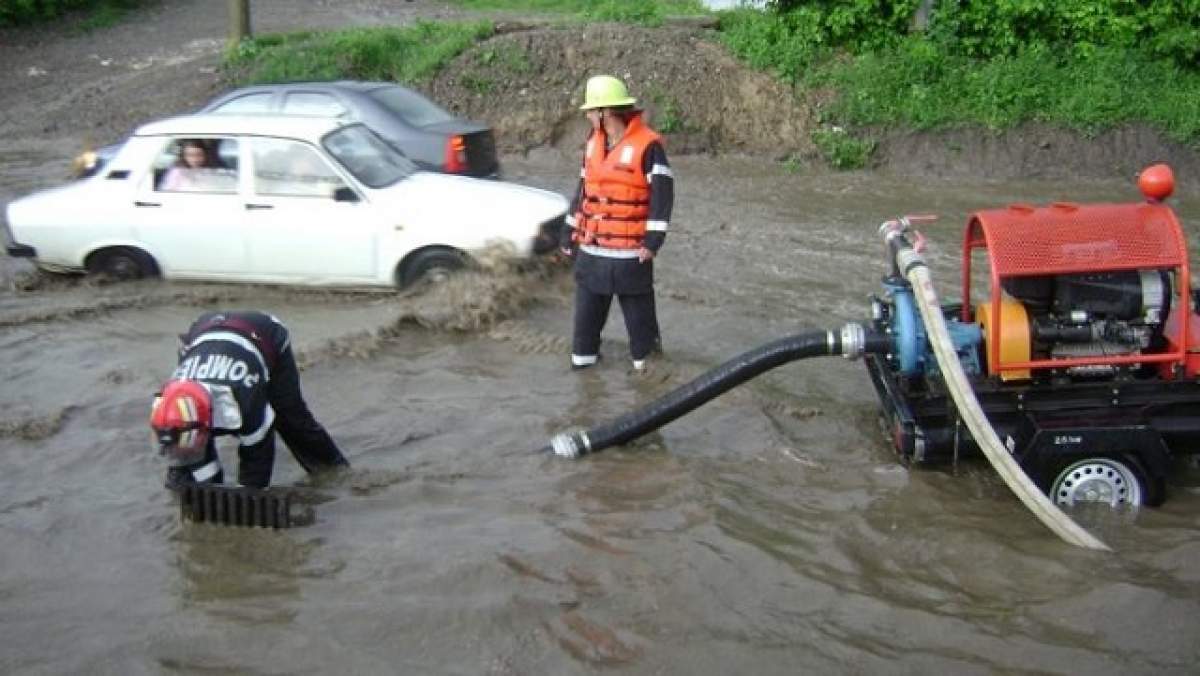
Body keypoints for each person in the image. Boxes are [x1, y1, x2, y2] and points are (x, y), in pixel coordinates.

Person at [150, 311, 349, 489]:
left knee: (290, 418)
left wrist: (248, 493)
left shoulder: (243, 403)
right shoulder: (168, 402)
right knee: (185, 452)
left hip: (265, 333)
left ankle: (336, 474)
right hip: (204, 331)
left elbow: (257, 459)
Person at [561, 74, 674, 371]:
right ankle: (586, 384)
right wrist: (568, 231)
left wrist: (653, 242)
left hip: (630, 257)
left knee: (644, 342)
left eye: (590, 110)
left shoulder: (648, 146)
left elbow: (662, 196)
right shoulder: (592, 144)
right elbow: (583, 191)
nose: (586, 116)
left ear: (605, 112)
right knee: (583, 339)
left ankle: (652, 384)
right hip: (592, 253)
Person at [159, 138, 235, 192]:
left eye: (199, 155)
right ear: (184, 156)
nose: (195, 159)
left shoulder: (213, 170)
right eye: (190, 155)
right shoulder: (177, 172)